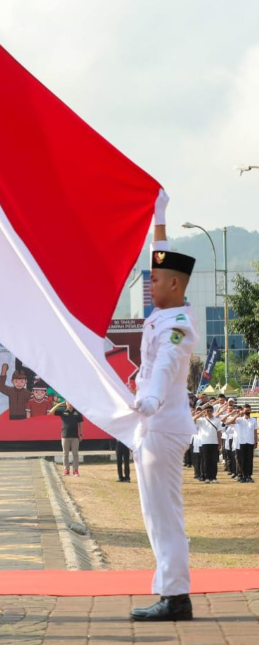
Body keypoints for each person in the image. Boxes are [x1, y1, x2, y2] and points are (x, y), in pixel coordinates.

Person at [129, 221, 197, 622]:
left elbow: (166, 366)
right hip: (153, 425)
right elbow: (162, 256)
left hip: (162, 424)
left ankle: (175, 597)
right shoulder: (164, 312)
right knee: (156, 515)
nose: (149, 285)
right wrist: (159, 222)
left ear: (175, 284)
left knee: (165, 516)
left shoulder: (177, 325)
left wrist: (152, 396)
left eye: (155, 280)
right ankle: (170, 590)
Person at [50, 400, 83, 477]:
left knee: (75, 454)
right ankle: (66, 470)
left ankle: (75, 471)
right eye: (68, 403)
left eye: (71, 403)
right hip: (65, 436)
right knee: (65, 454)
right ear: (66, 403)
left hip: (75, 437)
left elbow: (81, 424)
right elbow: (51, 412)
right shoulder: (62, 412)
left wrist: (81, 434)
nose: (70, 404)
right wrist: (59, 404)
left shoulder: (77, 413)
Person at [194, 405, 220, 484]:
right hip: (204, 442)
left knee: (213, 461)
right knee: (205, 461)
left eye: (210, 410)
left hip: (214, 442)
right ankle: (207, 477)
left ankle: (213, 477)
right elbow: (193, 419)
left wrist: (220, 443)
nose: (208, 412)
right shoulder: (201, 420)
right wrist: (202, 412)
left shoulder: (217, 420)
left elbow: (219, 432)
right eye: (207, 411)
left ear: (212, 411)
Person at [233, 404, 255, 483]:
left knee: (249, 460)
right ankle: (241, 476)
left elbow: (255, 431)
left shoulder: (253, 420)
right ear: (243, 410)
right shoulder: (239, 419)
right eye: (246, 410)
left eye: (248, 410)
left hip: (250, 442)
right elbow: (230, 422)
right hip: (241, 442)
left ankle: (248, 476)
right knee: (241, 460)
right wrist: (238, 414)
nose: (247, 412)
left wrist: (256, 441)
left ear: (250, 410)